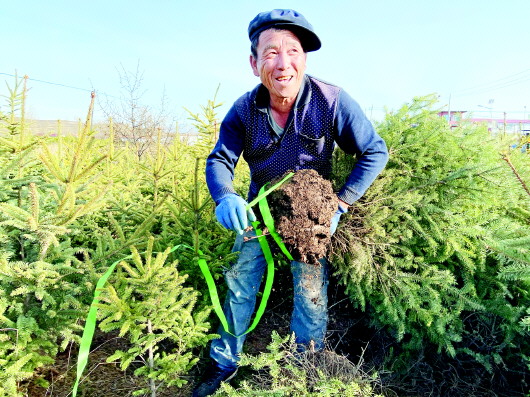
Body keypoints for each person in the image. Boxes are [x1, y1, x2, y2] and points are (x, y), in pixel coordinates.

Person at [192, 9, 389, 397]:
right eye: (270, 53)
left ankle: (306, 364)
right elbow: (219, 159)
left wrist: (342, 204)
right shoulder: (243, 110)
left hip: (311, 220)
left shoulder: (331, 101)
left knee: (310, 292)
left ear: (304, 59)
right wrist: (225, 195)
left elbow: (375, 150)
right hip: (259, 213)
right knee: (240, 285)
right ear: (254, 63)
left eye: (293, 51)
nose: (283, 64)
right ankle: (223, 363)